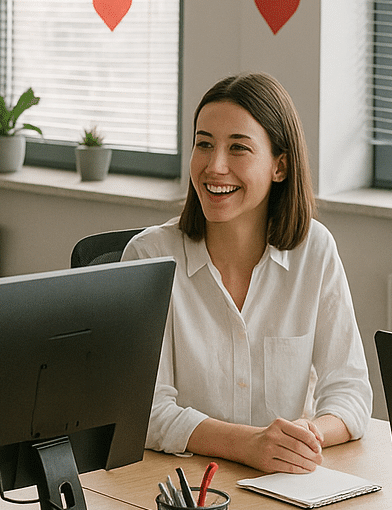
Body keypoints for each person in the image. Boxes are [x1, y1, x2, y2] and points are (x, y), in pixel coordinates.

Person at [122, 73, 372, 473]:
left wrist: (303, 439)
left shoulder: (315, 250)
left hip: (282, 482)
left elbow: (350, 391)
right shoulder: (149, 256)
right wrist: (250, 445)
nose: (214, 166)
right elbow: (144, 411)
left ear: (280, 167)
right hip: (178, 490)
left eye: (238, 148)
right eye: (204, 144)